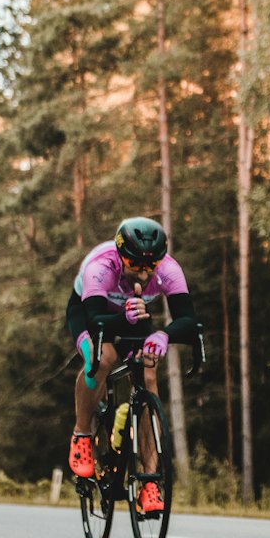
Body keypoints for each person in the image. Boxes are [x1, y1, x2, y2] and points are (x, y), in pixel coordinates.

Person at [66, 216, 198, 513]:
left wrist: (164, 335)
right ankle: (82, 435)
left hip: (135, 315)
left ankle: (150, 484)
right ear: (120, 255)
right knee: (100, 360)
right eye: (135, 264)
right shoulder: (100, 266)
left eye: (150, 266)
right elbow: (93, 318)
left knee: (149, 374)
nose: (143, 272)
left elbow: (188, 320)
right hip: (94, 315)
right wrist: (121, 320)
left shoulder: (168, 269)